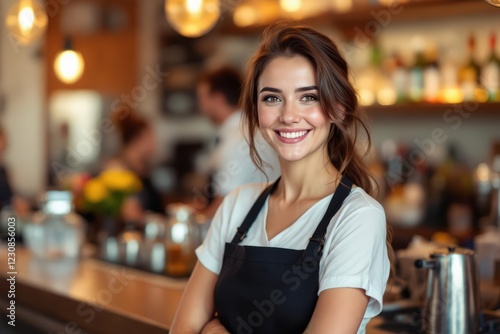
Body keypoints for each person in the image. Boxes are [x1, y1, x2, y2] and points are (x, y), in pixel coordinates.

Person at [171, 22, 394, 334]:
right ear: (255, 110)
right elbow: (183, 329)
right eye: (272, 98)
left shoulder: (358, 217)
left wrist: (212, 330)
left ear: (339, 107)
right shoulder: (238, 204)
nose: (288, 115)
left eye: (308, 97)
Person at [195, 66, 280, 218]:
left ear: (218, 98)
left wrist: (196, 220)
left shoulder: (238, 138)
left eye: (202, 97)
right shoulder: (243, 130)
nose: (200, 105)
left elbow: (225, 202)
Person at [107, 109, 163, 223]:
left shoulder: (143, 167)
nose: (155, 142)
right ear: (138, 138)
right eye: (150, 136)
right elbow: (130, 214)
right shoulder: (117, 169)